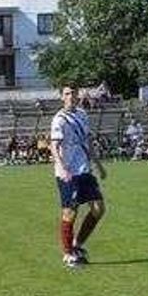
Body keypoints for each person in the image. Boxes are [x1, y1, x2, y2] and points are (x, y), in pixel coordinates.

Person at [51, 85, 108, 269]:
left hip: (84, 169)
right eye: (67, 94)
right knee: (70, 212)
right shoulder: (59, 120)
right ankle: (68, 254)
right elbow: (53, 146)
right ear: (62, 97)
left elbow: (87, 141)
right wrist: (62, 168)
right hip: (68, 172)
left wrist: (98, 164)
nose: (71, 97)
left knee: (99, 208)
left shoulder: (82, 114)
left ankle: (77, 244)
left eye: (73, 93)